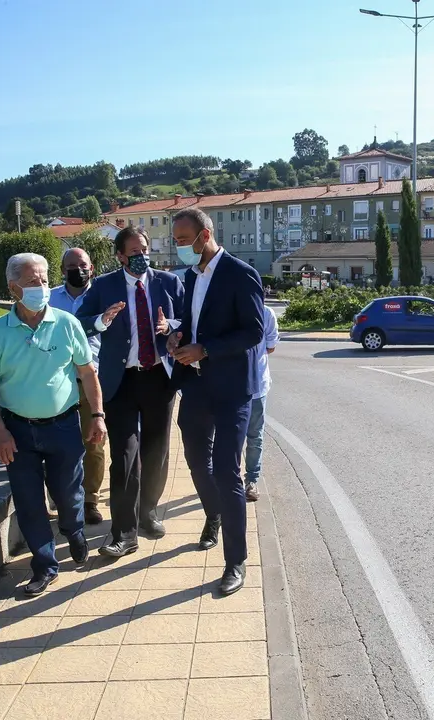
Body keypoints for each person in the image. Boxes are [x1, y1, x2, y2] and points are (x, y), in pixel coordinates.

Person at [0, 253, 106, 596]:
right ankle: (45, 565)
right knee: (29, 501)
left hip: (63, 427)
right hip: (17, 431)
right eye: (34, 281)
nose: (42, 287)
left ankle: (73, 529)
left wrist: (97, 415)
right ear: (13, 287)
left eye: (46, 280)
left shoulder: (67, 323)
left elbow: (87, 372)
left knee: (68, 492)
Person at [168, 207, 264, 596]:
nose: (179, 248)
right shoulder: (191, 277)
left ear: (204, 236)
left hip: (231, 391)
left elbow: (254, 332)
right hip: (195, 387)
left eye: (182, 240)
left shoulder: (241, 274)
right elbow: (192, 322)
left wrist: (205, 349)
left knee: (227, 470)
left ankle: (235, 561)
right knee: (195, 461)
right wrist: (177, 339)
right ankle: (215, 515)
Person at [78, 227, 184, 557]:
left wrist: (172, 327)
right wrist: (101, 322)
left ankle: (147, 512)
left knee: (156, 450)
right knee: (124, 455)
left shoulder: (168, 283)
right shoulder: (104, 286)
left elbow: (189, 319)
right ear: (120, 256)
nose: (142, 256)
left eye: (145, 249)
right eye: (134, 251)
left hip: (158, 378)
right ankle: (123, 533)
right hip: (120, 382)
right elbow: (80, 321)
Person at [50, 248, 107, 525]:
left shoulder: (102, 297)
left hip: (90, 380)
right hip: (55, 383)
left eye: (82, 264)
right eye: (71, 265)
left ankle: (90, 500)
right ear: (62, 270)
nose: (77, 269)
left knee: (94, 443)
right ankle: (64, 498)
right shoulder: (49, 298)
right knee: (59, 445)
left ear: (91, 267)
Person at [244, 305, 278, 502]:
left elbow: (271, 346)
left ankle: (251, 480)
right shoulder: (230, 309)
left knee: (254, 435)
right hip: (232, 387)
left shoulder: (266, 313)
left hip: (258, 386)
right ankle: (226, 480)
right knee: (229, 436)